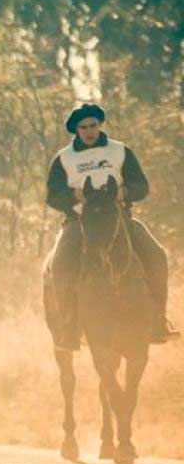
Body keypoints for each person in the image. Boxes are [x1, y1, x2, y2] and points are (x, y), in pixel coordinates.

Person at [45, 103, 178, 350]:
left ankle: (158, 319)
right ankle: (68, 328)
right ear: (76, 130)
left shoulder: (120, 151)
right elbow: (52, 196)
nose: (89, 131)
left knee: (157, 255)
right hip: (78, 222)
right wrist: (75, 196)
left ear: (100, 125)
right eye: (83, 127)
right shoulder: (63, 158)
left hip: (119, 219)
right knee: (60, 264)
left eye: (93, 125)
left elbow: (141, 186)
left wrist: (124, 190)